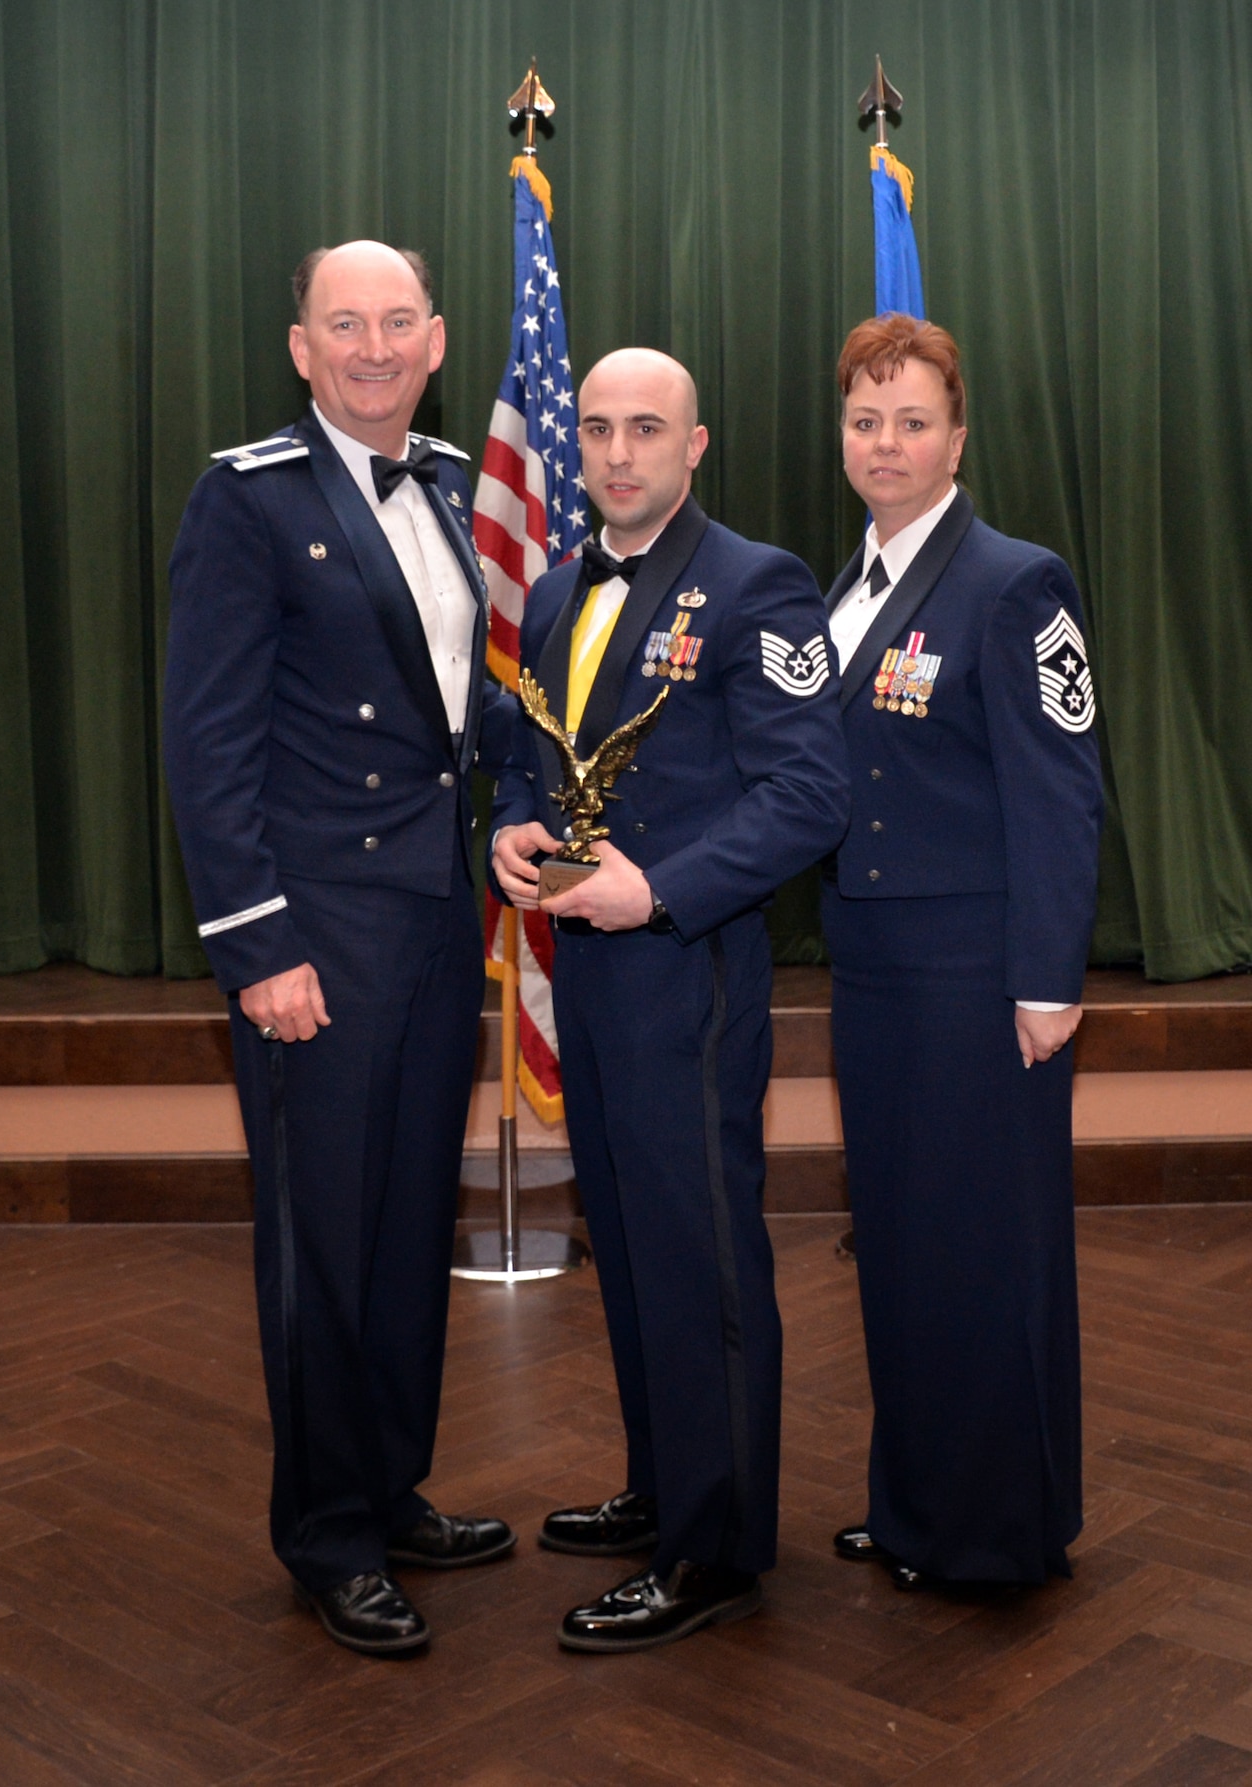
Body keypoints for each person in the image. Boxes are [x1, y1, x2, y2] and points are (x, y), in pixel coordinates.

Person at [162, 241, 515, 1658]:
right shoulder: (244, 498)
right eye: (342, 324)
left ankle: (389, 1484)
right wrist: (258, 944)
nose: (371, 346)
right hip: (317, 935)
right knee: (321, 1239)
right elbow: (207, 740)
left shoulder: (441, 484)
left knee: (402, 1222)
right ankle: (325, 1529)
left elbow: (449, 719)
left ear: (434, 341)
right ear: (301, 347)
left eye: (396, 323)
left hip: (434, 926)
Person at [490, 348, 849, 1652]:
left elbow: (810, 794)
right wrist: (512, 828)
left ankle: (715, 1546)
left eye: (649, 428)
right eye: (597, 428)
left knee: (699, 1261)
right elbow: (525, 752)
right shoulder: (554, 591)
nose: (620, 450)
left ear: (697, 445)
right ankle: (663, 1483)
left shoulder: (759, 585)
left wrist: (663, 887)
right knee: (634, 1250)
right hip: (582, 974)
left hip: (686, 972)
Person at [819, 314, 1102, 1590]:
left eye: (912, 420)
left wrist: (1044, 981)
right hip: (872, 978)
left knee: (988, 1256)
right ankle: (916, 1504)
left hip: (976, 980)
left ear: (956, 434)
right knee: (899, 1246)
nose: (887, 444)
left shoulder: (1014, 580)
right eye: (866, 421)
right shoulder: (841, 591)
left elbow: (1061, 792)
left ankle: (996, 1531)